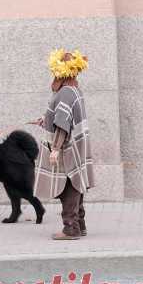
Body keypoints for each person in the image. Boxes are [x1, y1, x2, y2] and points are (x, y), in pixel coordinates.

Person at [34, 49, 95, 240]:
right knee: (76, 185)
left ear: (61, 72)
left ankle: (71, 229)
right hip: (77, 147)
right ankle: (80, 225)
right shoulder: (74, 90)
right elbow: (63, 118)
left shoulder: (65, 94)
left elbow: (62, 125)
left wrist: (56, 149)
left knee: (68, 187)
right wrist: (45, 119)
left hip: (67, 149)